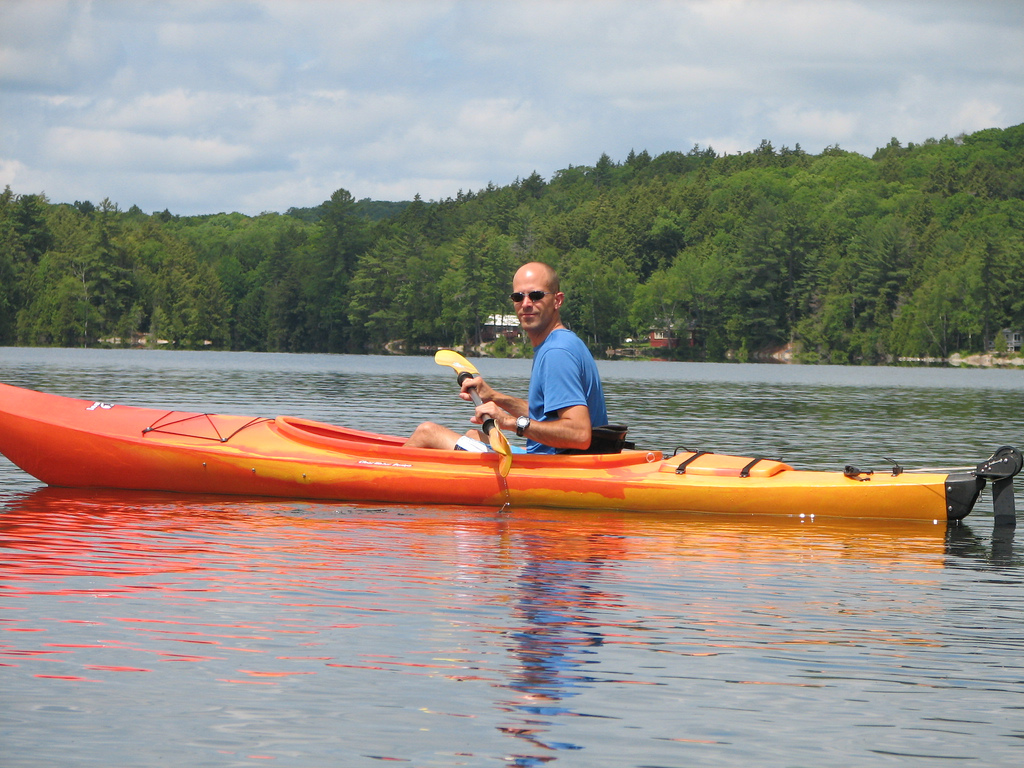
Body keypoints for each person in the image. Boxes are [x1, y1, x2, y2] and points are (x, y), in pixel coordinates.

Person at [405, 261, 607, 454]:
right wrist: (494, 397)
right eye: (518, 297)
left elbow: (579, 434)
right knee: (473, 435)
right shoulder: (560, 342)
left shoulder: (557, 353)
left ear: (557, 300)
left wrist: (509, 422)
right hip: (560, 461)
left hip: (555, 470)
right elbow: (545, 416)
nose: (526, 304)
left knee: (427, 433)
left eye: (536, 295)